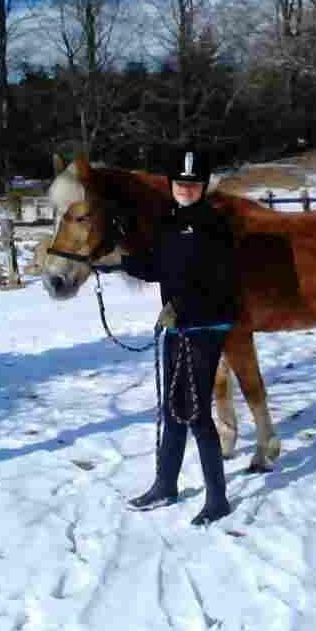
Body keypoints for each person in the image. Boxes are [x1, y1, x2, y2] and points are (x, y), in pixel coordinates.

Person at [120, 148, 238, 526]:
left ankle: (217, 498)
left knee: (196, 411)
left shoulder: (215, 225)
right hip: (176, 326)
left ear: (203, 186)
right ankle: (165, 484)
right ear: (172, 185)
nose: (186, 190)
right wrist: (120, 257)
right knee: (172, 407)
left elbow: (219, 279)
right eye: (181, 183)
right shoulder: (168, 221)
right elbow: (158, 269)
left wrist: (181, 308)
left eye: (193, 184)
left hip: (205, 327)